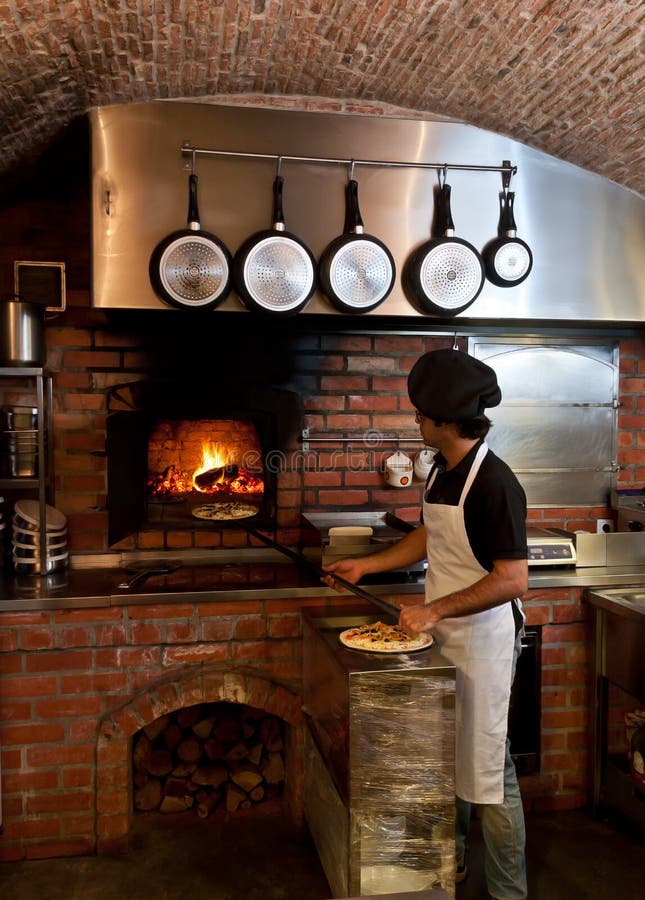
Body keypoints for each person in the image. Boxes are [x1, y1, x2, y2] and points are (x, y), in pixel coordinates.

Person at [323, 347, 529, 900]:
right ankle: (454, 861)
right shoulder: (444, 468)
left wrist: (433, 609)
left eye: (420, 414)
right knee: (449, 755)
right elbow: (428, 536)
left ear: (444, 419)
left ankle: (510, 892)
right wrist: (368, 564)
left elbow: (513, 580)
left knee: (489, 768)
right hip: (443, 636)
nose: (414, 420)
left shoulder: (495, 484)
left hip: (484, 641)